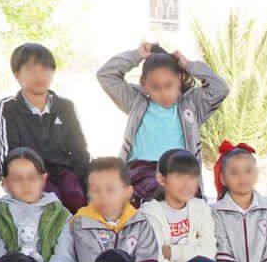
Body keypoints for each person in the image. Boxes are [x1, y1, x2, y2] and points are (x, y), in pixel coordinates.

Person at [98, 42, 230, 203]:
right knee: (157, 195)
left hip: (180, 171)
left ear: (180, 78)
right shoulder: (135, 102)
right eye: (155, 87)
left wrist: (188, 65)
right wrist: (137, 55)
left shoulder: (192, 105)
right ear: (145, 85)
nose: (163, 93)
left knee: (189, 205)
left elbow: (220, 88)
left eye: (169, 85)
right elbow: (105, 75)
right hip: (141, 171)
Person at [45, 157, 162, 262]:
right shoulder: (83, 223)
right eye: (95, 190)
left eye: (110, 190)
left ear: (128, 192)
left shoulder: (140, 222)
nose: (102, 196)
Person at [0, 43, 91, 213]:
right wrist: (15, 180)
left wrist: (86, 181)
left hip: (64, 171)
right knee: (50, 205)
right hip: (31, 174)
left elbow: (79, 149)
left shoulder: (65, 106)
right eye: (31, 69)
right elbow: (9, 150)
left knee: (76, 197)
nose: (39, 75)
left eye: (45, 69)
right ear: (17, 75)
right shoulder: (9, 107)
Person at [141, 149, 217, 262]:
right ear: (161, 179)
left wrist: (174, 252)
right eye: (179, 176)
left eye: (192, 177)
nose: (187, 184)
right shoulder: (150, 213)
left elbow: (209, 253)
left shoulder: (201, 208)